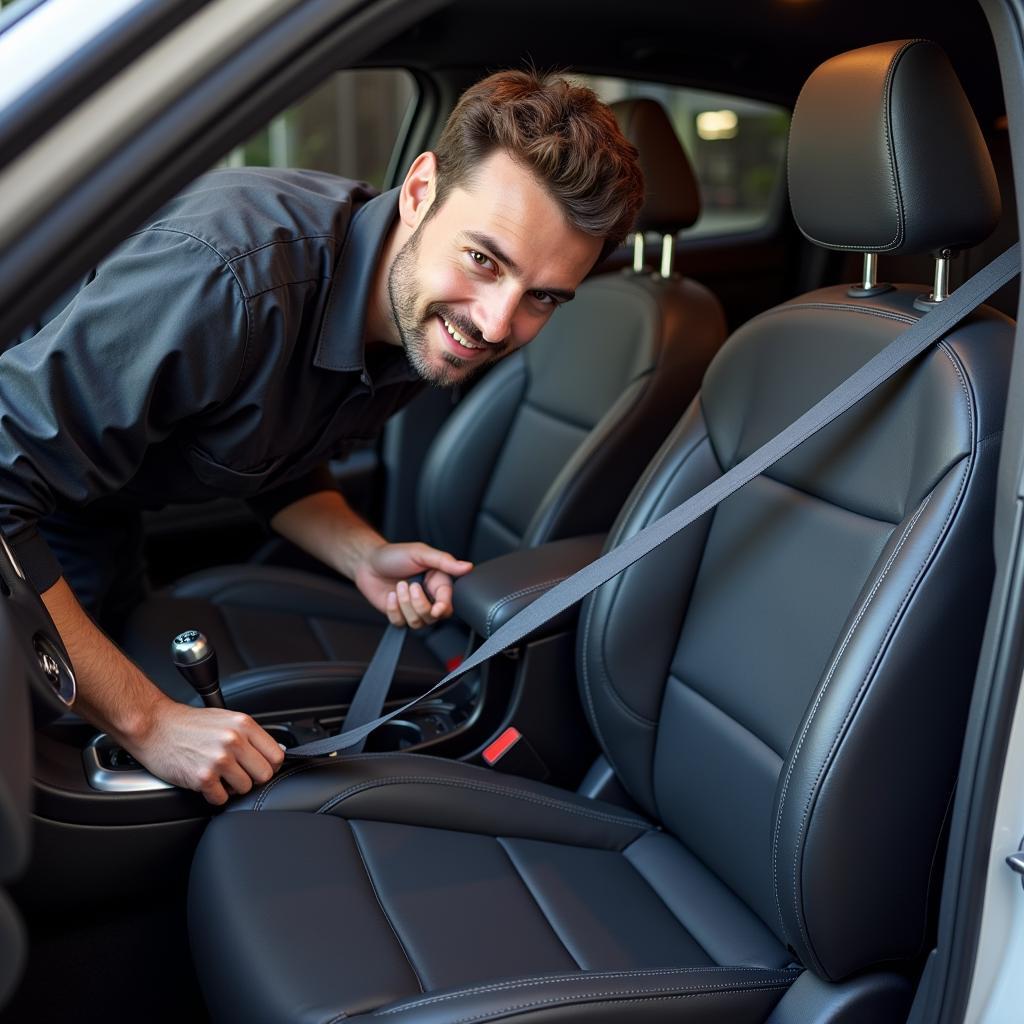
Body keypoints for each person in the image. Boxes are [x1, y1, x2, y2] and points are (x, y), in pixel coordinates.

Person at [0, 69, 644, 804]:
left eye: (542, 297)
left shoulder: (419, 318)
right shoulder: (229, 279)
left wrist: (363, 553)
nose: (496, 324)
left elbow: (268, 443)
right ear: (420, 190)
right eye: (484, 259)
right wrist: (151, 723)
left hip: (100, 507)